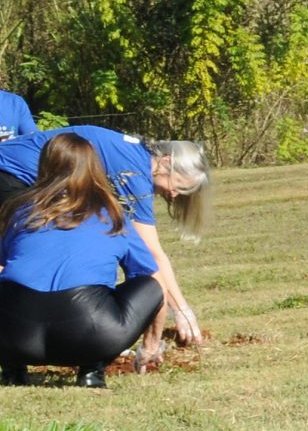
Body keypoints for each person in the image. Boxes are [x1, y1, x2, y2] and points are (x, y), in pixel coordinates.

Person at [0, 124, 210, 357]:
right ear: (165, 163)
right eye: (178, 186)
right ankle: (64, 331)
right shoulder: (135, 174)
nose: (174, 195)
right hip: (10, 175)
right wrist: (181, 311)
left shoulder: (134, 155)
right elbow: (152, 253)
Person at [0, 130, 164, 387]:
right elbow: (149, 277)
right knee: (151, 285)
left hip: (16, 337)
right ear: (94, 167)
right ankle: (91, 371)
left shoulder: (18, 210)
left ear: (43, 165)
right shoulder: (112, 214)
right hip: (91, 335)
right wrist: (152, 344)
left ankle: (13, 369)